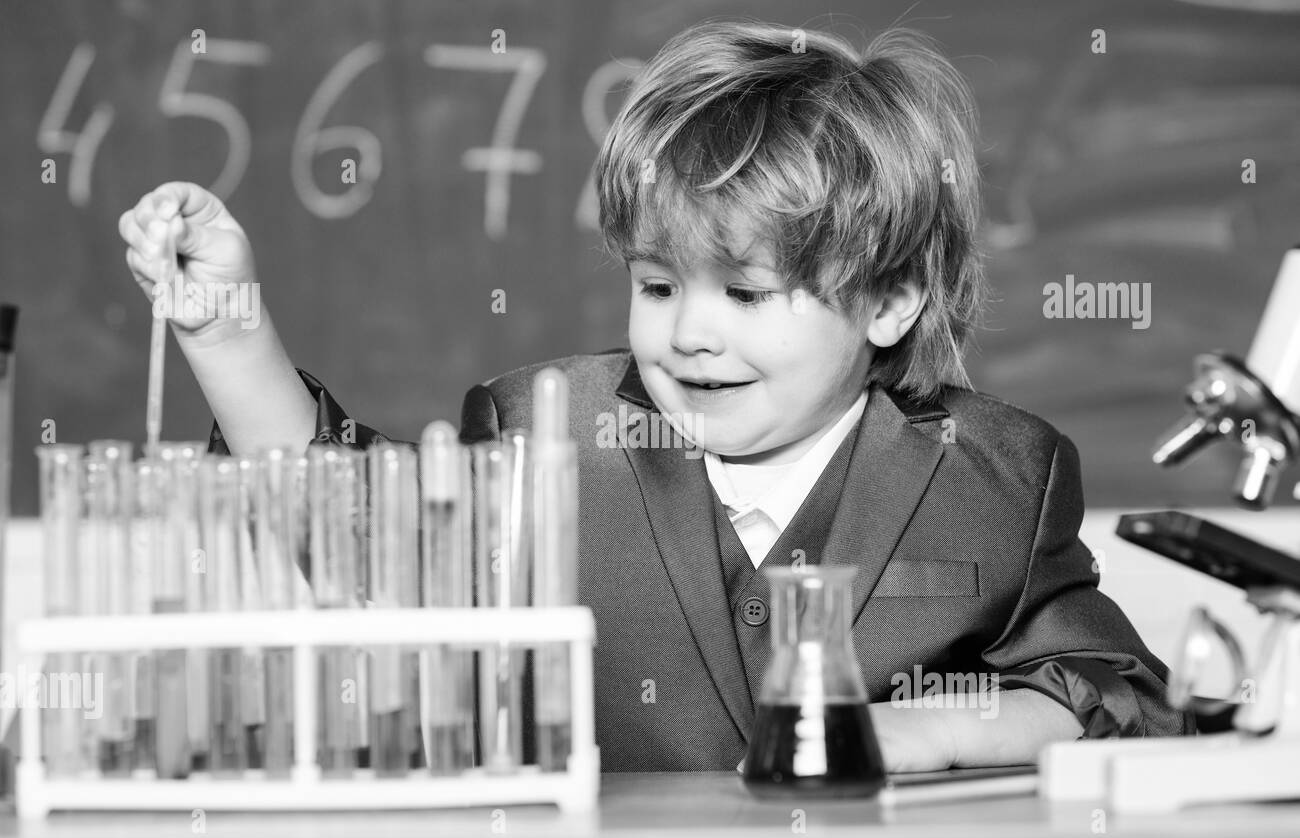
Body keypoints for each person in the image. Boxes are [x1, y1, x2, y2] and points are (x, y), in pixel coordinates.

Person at [117, 20, 1192, 773]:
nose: (689, 331)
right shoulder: (546, 430)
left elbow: (1121, 700)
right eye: (658, 284)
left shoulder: (997, 473)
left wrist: (923, 732)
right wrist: (229, 331)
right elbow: (349, 523)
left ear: (890, 301)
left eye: (747, 291)